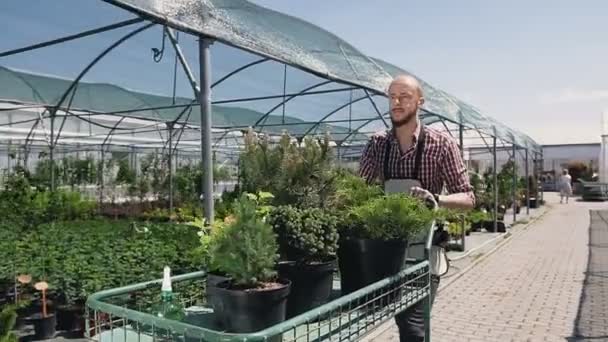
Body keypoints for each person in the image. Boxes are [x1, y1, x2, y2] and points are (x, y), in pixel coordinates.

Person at [358, 74, 475, 341]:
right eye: (392, 97)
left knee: (412, 327)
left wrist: (436, 199)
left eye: (405, 96)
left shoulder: (441, 144)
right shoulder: (378, 144)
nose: (397, 102)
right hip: (386, 249)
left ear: (420, 102)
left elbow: (468, 198)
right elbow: (359, 191)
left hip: (425, 251)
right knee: (388, 317)